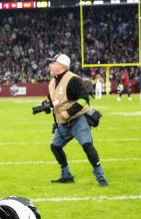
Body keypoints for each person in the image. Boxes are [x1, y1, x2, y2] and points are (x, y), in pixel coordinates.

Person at [46, 53, 108, 187]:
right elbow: (55, 102)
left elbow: (84, 99)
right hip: (63, 123)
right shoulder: (52, 82)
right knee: (55, 146)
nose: (51, 65)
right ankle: (66, 175)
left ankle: (100, 176)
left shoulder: (73, 79)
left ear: (62, 66)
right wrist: (45, 105)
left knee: (87, 145)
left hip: (78, 119)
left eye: (53, 63)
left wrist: (68, 112)